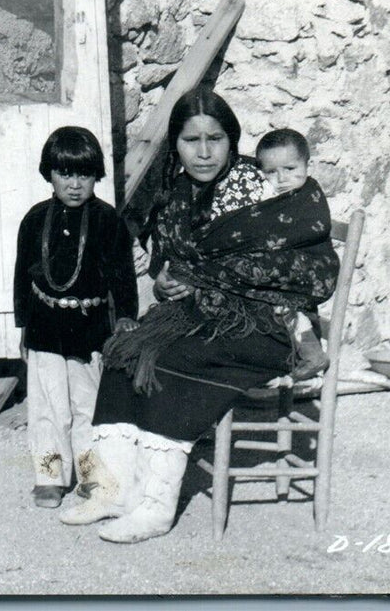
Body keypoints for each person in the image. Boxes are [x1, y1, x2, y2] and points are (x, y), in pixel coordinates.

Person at [60, 86, 338, 543]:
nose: (205, 152)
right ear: (177, 144)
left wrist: (205, 279)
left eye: (216, 139)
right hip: (199, 314)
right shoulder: (179, 195)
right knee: (124, 350)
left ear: (232, 142)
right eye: (192, 141)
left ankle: (154, 508)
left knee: (170, 361)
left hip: (262, 326)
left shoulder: (259, 186)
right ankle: (105, 490)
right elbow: (174, 263)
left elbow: (301, 265)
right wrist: (165, 280)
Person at [12, 127, 138, 509]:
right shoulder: (34, 220)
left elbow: (123, 276)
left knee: (88, 407)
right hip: (44, 328)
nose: (74, 184)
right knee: (47, 409)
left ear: (96, 176)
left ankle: (90, 474)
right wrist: (22, 326)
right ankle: (48, 476)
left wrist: (126, 319)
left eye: (83, 175)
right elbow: (21, 276)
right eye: (65, 174)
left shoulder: (108, 221)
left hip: (89, 329)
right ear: (49, 174)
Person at [256, 128, 332, 380]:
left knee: (272, 294)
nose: (281, 178)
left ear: (307, 165)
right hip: (289, 273)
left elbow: (311, 229)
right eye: (270, 172)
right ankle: (282, 356)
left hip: (313, 271)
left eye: (289, 169)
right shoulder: (272, 197)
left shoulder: (309, 195)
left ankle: (310, 352)